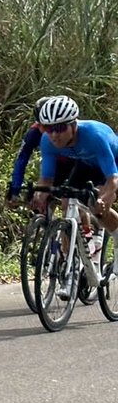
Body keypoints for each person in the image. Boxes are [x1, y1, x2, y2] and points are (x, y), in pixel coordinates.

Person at [29, 95, 118, 294]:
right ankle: (72, 272)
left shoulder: (93, 135)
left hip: (112, 166)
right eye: (48, 128)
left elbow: (112, 180)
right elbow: (46, 179)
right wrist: (40, 195)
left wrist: (103, 199)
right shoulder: (48, 141)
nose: (54, 135)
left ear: (74, 125)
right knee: (68, 202)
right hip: (85, 164)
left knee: (100, 210)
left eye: (60, 128)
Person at [7, 96, 97, 265]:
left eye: (53, 126)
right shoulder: (34, 133)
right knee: (40, 199)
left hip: (75, 164)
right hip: (53, 168)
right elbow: (22, 160)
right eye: (43, 126)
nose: (47, 131)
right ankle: (50, 241)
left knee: (68, 202)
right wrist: (15, 188)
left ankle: (86, 234)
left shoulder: (71, 133)